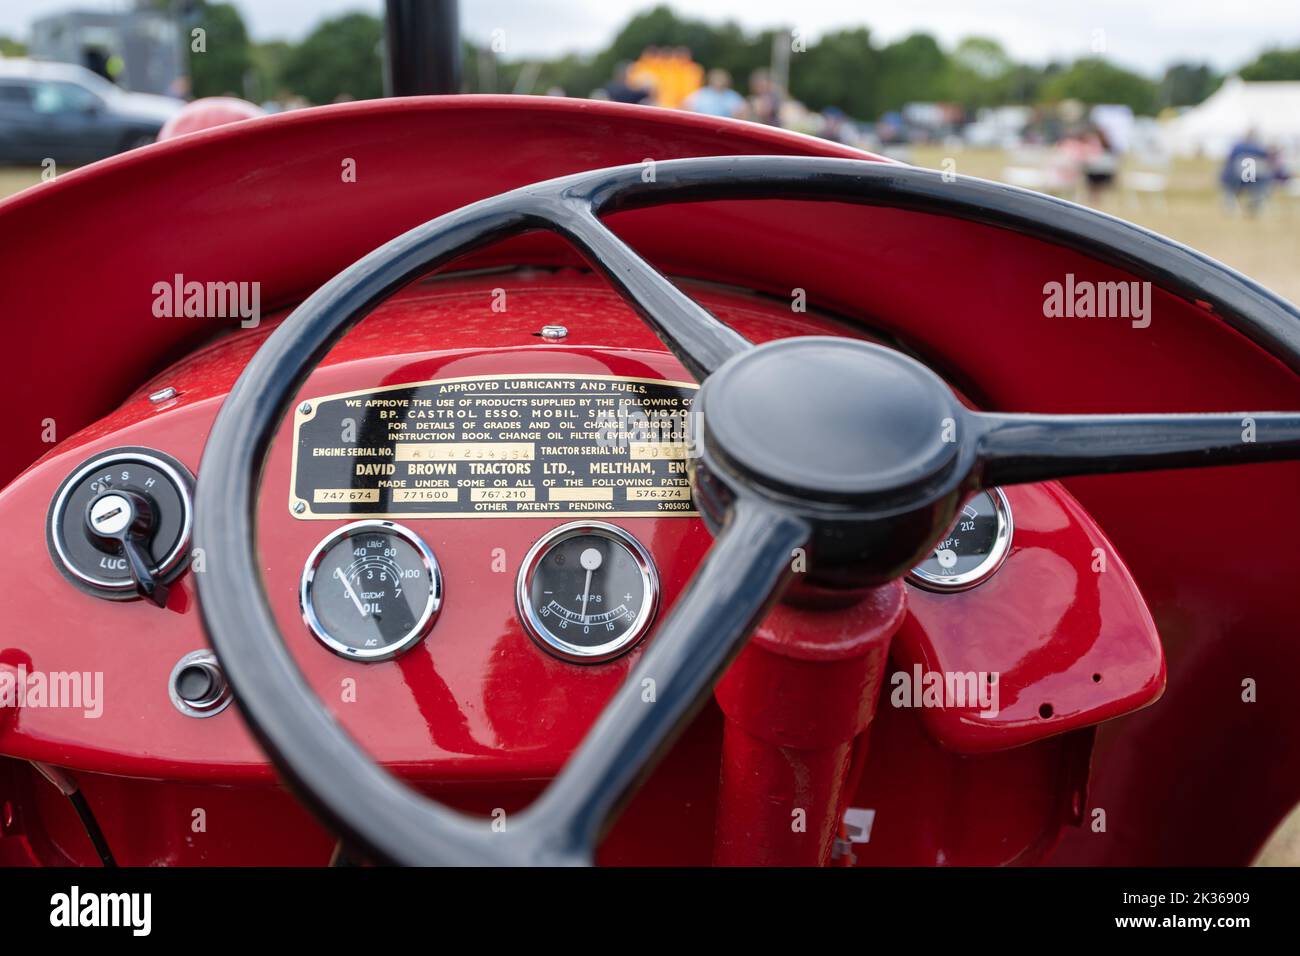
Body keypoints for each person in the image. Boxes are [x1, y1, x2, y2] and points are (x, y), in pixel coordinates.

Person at [1220, 129, 1272, 216]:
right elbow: (1267, 158)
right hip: (1254, 182)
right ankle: (1254, 206)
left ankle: (1231, 208)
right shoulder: (1258, 149)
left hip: (1234, 181)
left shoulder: (1237, 148)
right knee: (1263, 184)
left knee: (1229, 187)